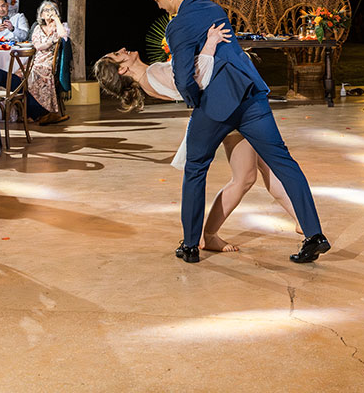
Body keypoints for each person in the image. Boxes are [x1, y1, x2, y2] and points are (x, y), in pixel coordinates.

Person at [150, 0, 328, 265]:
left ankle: (192, 245)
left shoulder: (176, 25)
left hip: (215, 105)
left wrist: (196, 103)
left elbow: (183, 77)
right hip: (250, 95)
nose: (159, 5)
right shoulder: (212, 7)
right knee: (284, 163)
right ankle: (315, 235)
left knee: (195, 169)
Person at [93, 25, 300, 253]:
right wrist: (211, 42)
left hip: (225, 108)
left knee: (257, 172)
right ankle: (210, 234)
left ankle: (301, 221)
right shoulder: (151, 75)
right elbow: (196, 78)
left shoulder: (150, 75)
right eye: (117, 54)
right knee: (246, 178)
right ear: (121, 69)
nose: (122, 49)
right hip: (226, 110)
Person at [27, 0, 70, 126]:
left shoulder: (61, 26)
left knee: (36, 73)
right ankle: (30, 112)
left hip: (49, 62)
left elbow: (64, 36)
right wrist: (51, 42)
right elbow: (37, 46)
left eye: (52, 10)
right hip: (36, 60)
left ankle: (43, 112)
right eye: (46, 10)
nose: (49, 12)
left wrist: (57, 20)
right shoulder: (37, 28)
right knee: (20, 74)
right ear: (41, 15)